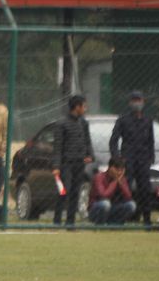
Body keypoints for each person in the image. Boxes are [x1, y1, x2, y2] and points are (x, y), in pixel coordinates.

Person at [110, 90, 156, 226]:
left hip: (143, 160)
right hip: (127, 161)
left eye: (139, 100)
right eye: (134, 100)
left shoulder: (148, 120)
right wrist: (117, 159)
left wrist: (150, 158)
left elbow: (151, 141)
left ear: (143, 102)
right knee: (123, 189)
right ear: (130, 103)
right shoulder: (123, 120)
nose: (137, 103)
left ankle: (147, 220)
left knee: (145, 190)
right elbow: (114, 140)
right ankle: (119, 219)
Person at [51, 94, 93, 228]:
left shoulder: (83, 123)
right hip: (66, 164)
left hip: (79, 163)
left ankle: (70, 222)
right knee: (64, 191)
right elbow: (57, 146)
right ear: (77, 107)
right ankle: (57, 221)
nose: (85, 109)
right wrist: (56, 166)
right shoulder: (61, 124)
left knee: (76, 192)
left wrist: (90, 155)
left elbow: (87, 141)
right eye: (84, 106)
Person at [88, 156, 137, 225]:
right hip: (96, 209)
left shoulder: (122, 179)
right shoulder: (99, 177)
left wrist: (121, 184)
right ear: (110, 167)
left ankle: (115, 224)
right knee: (105, 204)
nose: (119, 172)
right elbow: (103, 195)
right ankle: (100, 225)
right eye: (117, 169)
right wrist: (115, 182)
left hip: (113, 208)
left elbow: (128, 196)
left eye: (121, 170)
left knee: (131, 205)